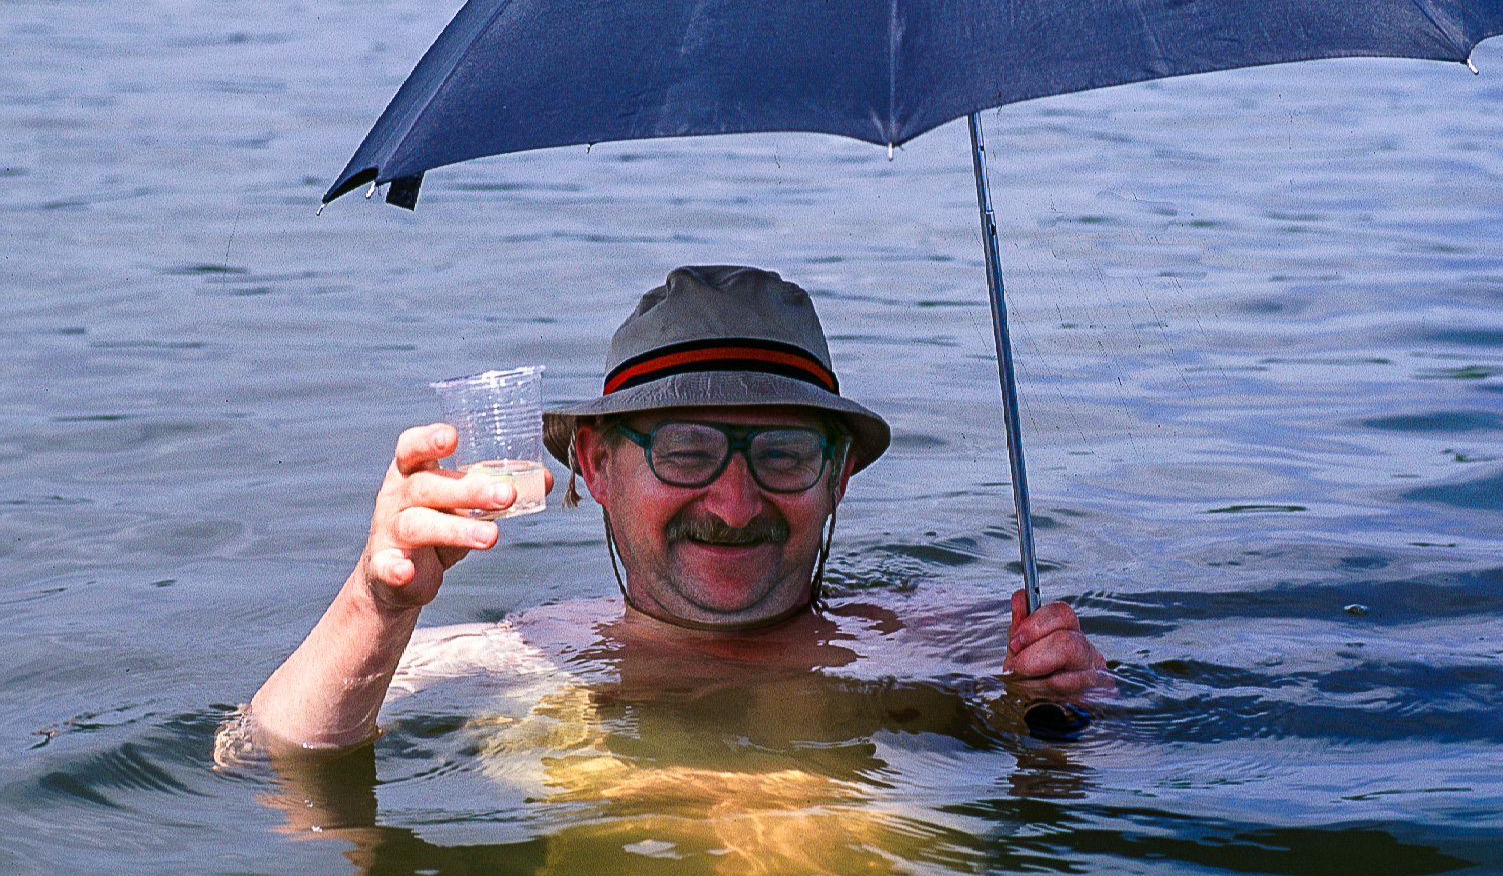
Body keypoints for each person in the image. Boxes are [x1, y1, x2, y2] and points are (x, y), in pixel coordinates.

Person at [242, 265, 1106, 754]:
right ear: (596, 465)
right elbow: (257, 756)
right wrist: (375, 602)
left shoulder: (962, 645)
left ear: (839, 476)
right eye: (686, 451)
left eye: (783, 455)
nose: (734, 506)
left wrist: (1068, 712)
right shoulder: (519, 656)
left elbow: (1128, 798)